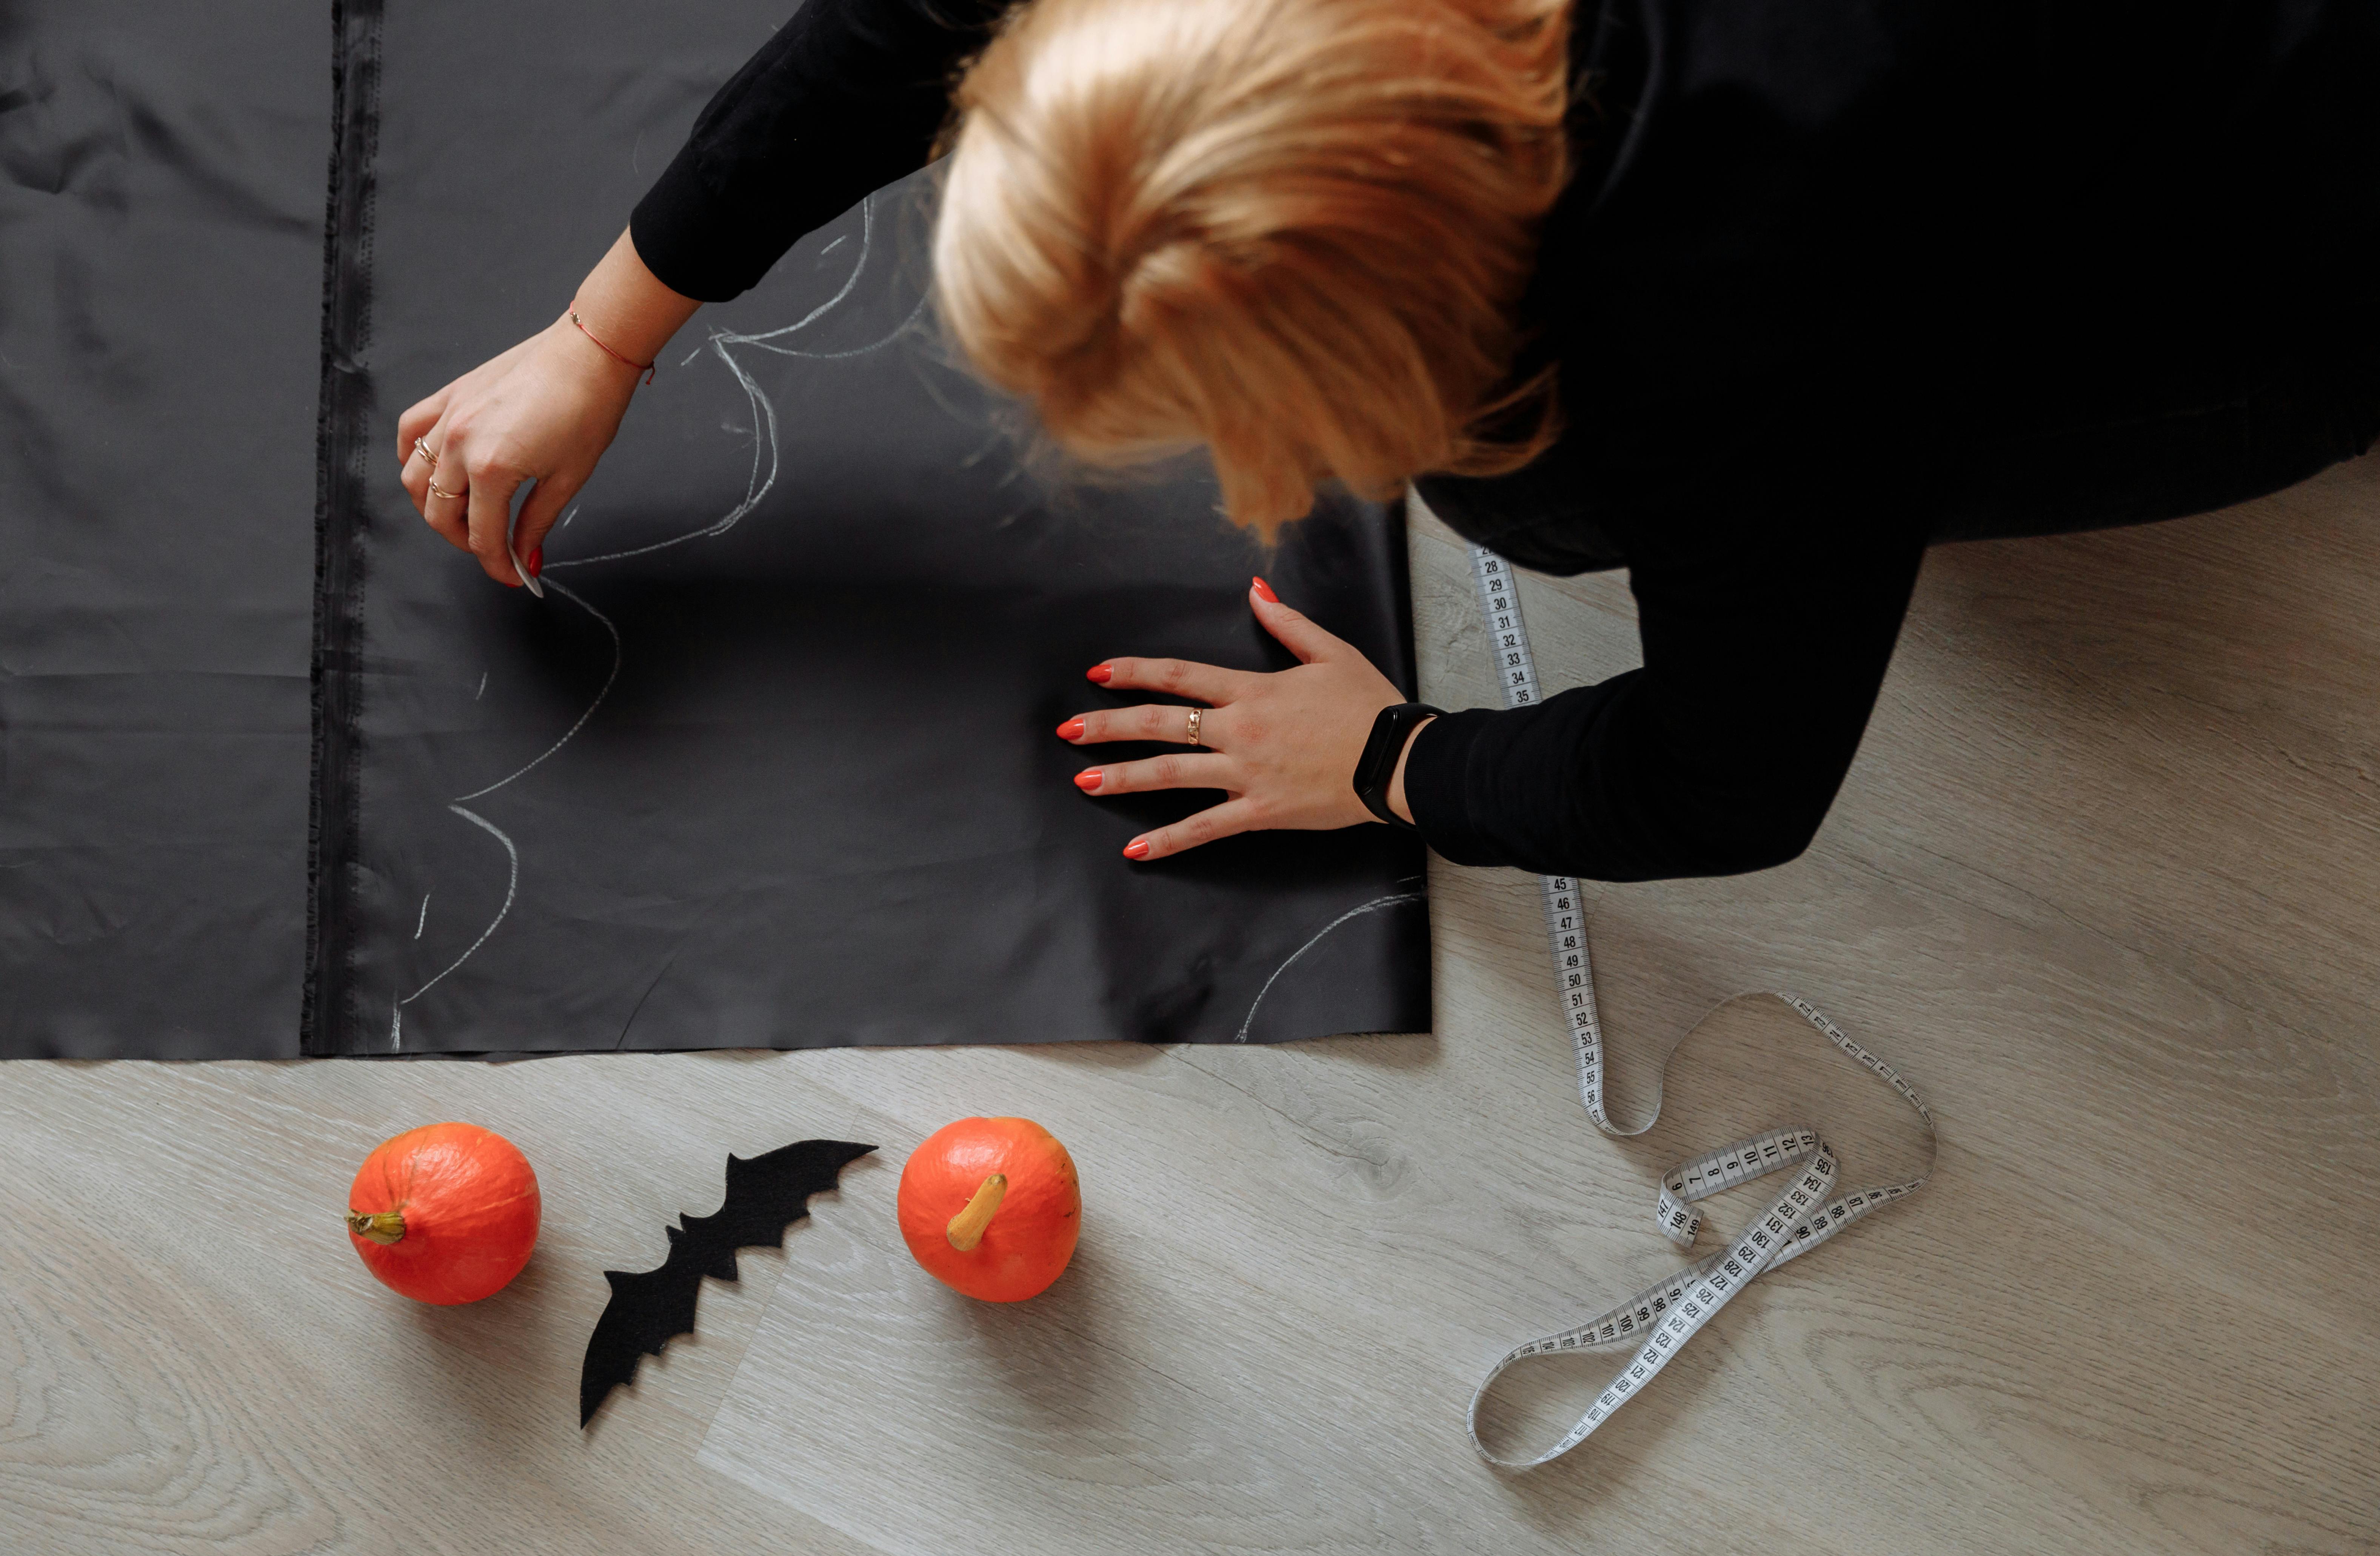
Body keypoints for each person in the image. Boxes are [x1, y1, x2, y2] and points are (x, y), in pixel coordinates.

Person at [396, 0, 2380, 880]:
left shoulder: (1725, 335)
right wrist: (615, 318)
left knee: (1531, 504)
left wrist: (1389, 760)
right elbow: (926, 4)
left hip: (2274, 239)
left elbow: (1727, 781)